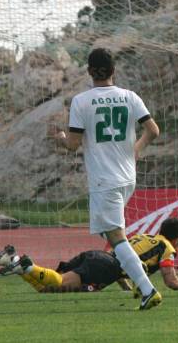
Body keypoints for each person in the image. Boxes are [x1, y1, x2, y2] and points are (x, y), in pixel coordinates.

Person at [52, 47, 162, 310]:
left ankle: (147, 289)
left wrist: (61, 139)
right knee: (110, 232)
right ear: (114, 71)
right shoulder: (130, 96)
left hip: (105, 179)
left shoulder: (82, 100)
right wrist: (136, 149)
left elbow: (74, 144)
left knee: (116, 237)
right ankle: (138, 280)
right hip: (127, 177)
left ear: (90, 71)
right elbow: (153, 130)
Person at [0, 217, 178, 294]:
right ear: (177, 239)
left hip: (97, 256)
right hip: (105, 267)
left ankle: (14, 262)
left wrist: (126, 289)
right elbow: (171, 280)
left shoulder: (145, 237)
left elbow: (125, 260)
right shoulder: (167, 247)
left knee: (48, 289)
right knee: (59, 284)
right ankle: (28, 267)